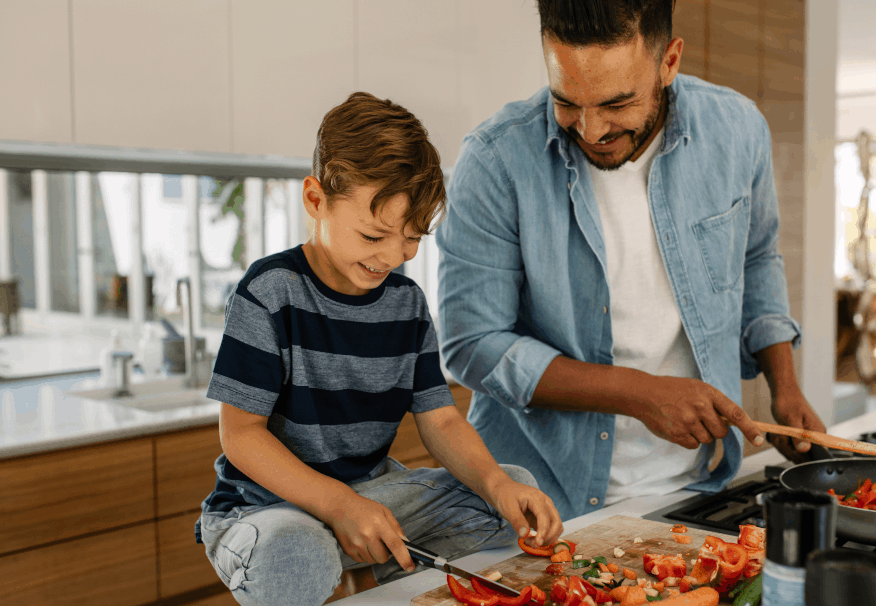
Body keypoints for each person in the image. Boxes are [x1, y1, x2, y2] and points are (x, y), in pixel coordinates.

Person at [436, 0, 827, 521]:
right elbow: (470, 346)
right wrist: (640, 394)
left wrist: (785, 385)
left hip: (696, 489)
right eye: (566, 101)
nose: (591, 130)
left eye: (616, 104)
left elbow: (756, 258)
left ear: (669, 62)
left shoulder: (737, 131)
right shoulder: (494, 161)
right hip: (536, 502)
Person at [195, 92, 563, 606]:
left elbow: (441, 421)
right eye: (374, 235)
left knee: (509, 492)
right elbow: (240, 436)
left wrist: (497, 485)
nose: (394, 256)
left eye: (412, 237)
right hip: (265, 510)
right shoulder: (269, 291)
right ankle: (342, 567)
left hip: (370, 494)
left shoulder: (406, 304)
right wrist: (336, 503)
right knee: (297, 555)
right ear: (316, 200)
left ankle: (378, 586)